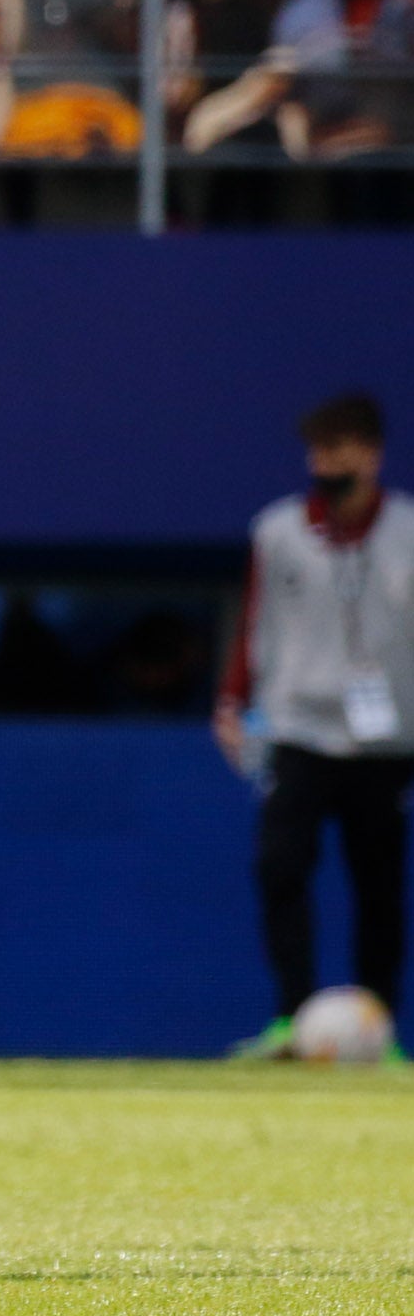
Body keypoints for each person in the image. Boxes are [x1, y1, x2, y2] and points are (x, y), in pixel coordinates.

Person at [220, 389, 414, 1058]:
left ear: (370, 454)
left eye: (335, 449)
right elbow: (252, 623)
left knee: (379, 886)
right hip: (297, 728)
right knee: (279, 868)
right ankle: (290, 1019)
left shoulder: (407, 533)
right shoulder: (277, 531)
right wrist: (230, 703)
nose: (322, 462)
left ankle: (376, 1025)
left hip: (386, 740)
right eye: (315, 450)